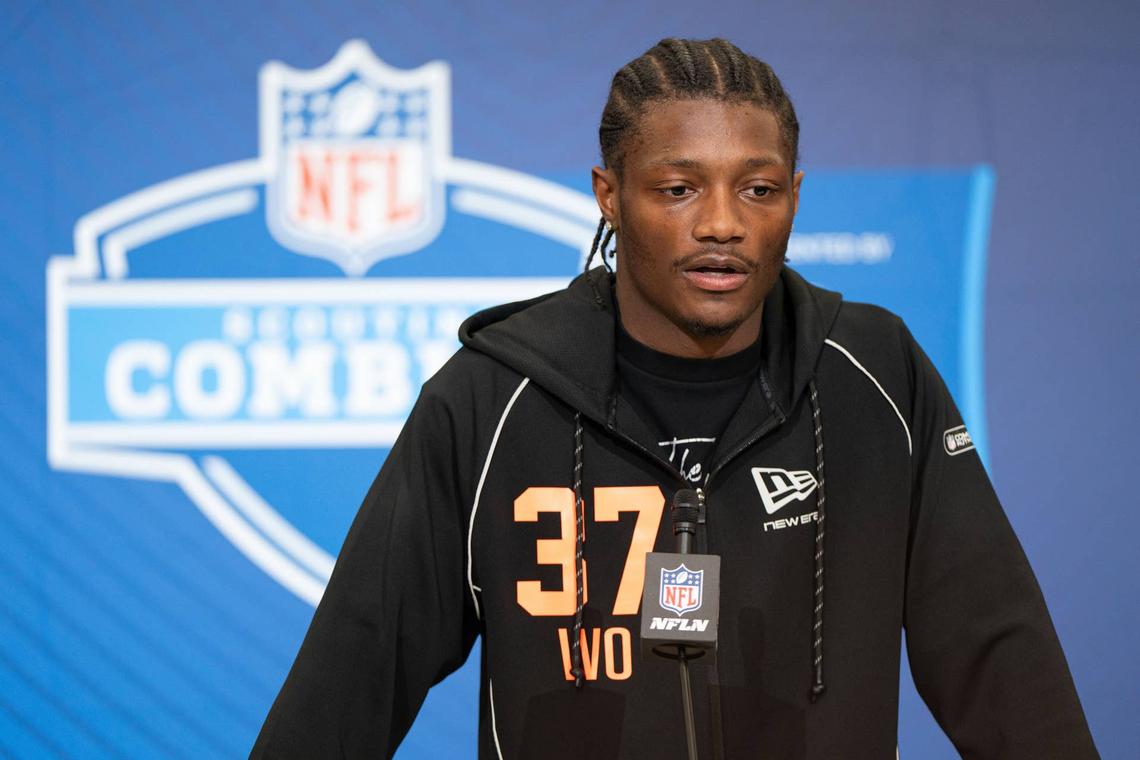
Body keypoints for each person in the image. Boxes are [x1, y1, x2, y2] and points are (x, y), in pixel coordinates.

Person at [251, 38, 1098, 759]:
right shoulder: (489, 399)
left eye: (758, 189)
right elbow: (349, 680)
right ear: (609, 196)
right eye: (679, 188)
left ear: (795, 200)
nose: (722, 223)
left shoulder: (875, 377)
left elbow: (1001, 660)